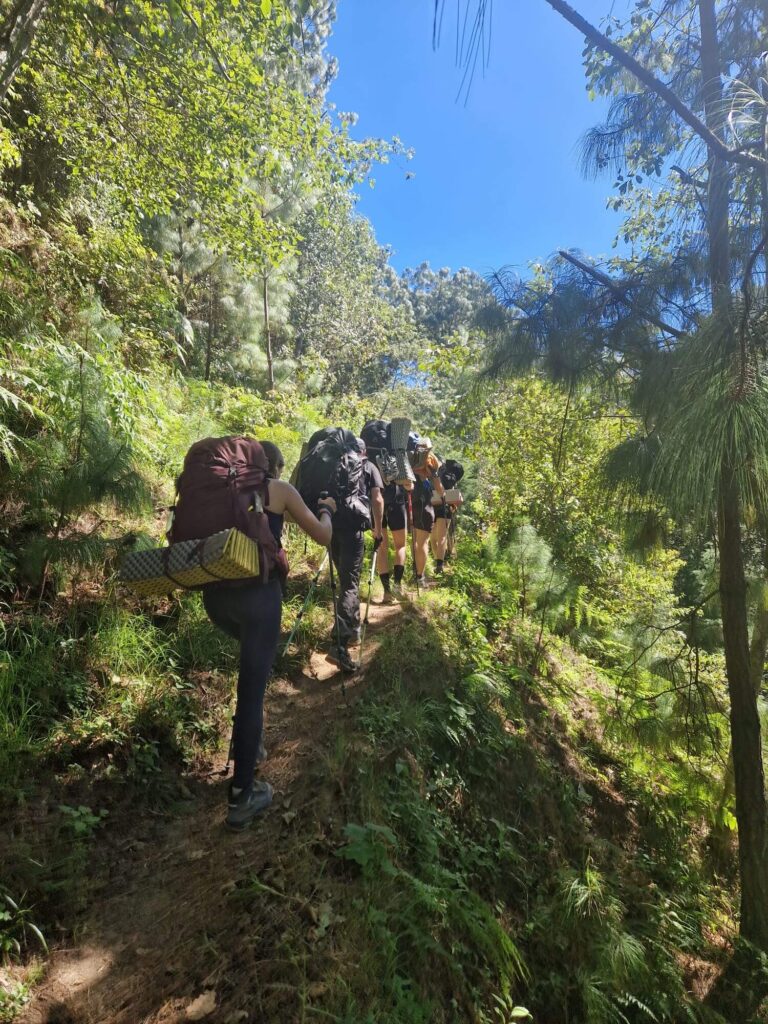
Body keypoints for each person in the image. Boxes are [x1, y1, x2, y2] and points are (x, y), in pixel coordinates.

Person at [202, 441, 336, 831]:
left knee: (251, 669)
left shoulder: (226, 490)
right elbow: (323, 536)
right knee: (252, 689)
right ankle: (242, 795)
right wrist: (327, 509)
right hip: (258, 600)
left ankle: (250, 744)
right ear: (273, 465)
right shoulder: (278, 489)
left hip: (215, 599)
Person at [330, 439, 384, 671]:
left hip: (331, 527)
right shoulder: (369, 466)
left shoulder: (335, 463)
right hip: (353, 529)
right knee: (350, 584)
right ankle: (339, 645)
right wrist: (378, 530)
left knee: (345, 581)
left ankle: (352, 631)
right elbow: (377, 499)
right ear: (363, 450)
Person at [409, 450, 444, 587]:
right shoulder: (427, 471)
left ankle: (415, 571)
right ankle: (420, 576)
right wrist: (434, 474)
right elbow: (440, 491)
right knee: (422, 543)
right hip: (424, 509)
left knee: (415, 541)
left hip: (411, 506)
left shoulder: (409, 469)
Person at [377, 479, 411, 601]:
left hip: (375, 499)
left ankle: (387, 593)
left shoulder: (370, 464)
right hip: (396, 498)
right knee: (400, 545)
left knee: (381, 547)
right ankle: (397, 586)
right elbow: (409, 484)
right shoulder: (400, 464)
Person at [430, 459, 463, 574]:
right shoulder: (452, 478)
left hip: (433, 505)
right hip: (445, 507)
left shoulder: (437, 470)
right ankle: (439, 564)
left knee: (433, 538)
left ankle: (438, 562)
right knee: (442, 537)